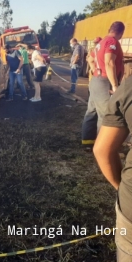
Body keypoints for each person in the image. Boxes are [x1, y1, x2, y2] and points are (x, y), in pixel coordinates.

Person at [93, 74, 132, 261]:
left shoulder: (130, 87)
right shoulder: (110, 43)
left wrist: (121, 187)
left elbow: (102, 149)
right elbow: (107, 62)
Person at [81, 21, 125, 150]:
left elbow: (90, 59)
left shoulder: (101, 43)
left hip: (96, 80)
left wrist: (96, 70)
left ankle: (88, 142)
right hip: (105, 82)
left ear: (109, 29)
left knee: (91, 111)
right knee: (105, 115)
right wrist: (115, 85)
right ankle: (103, 148)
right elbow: (110, 62)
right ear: (121, 33)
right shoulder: (112, 42)